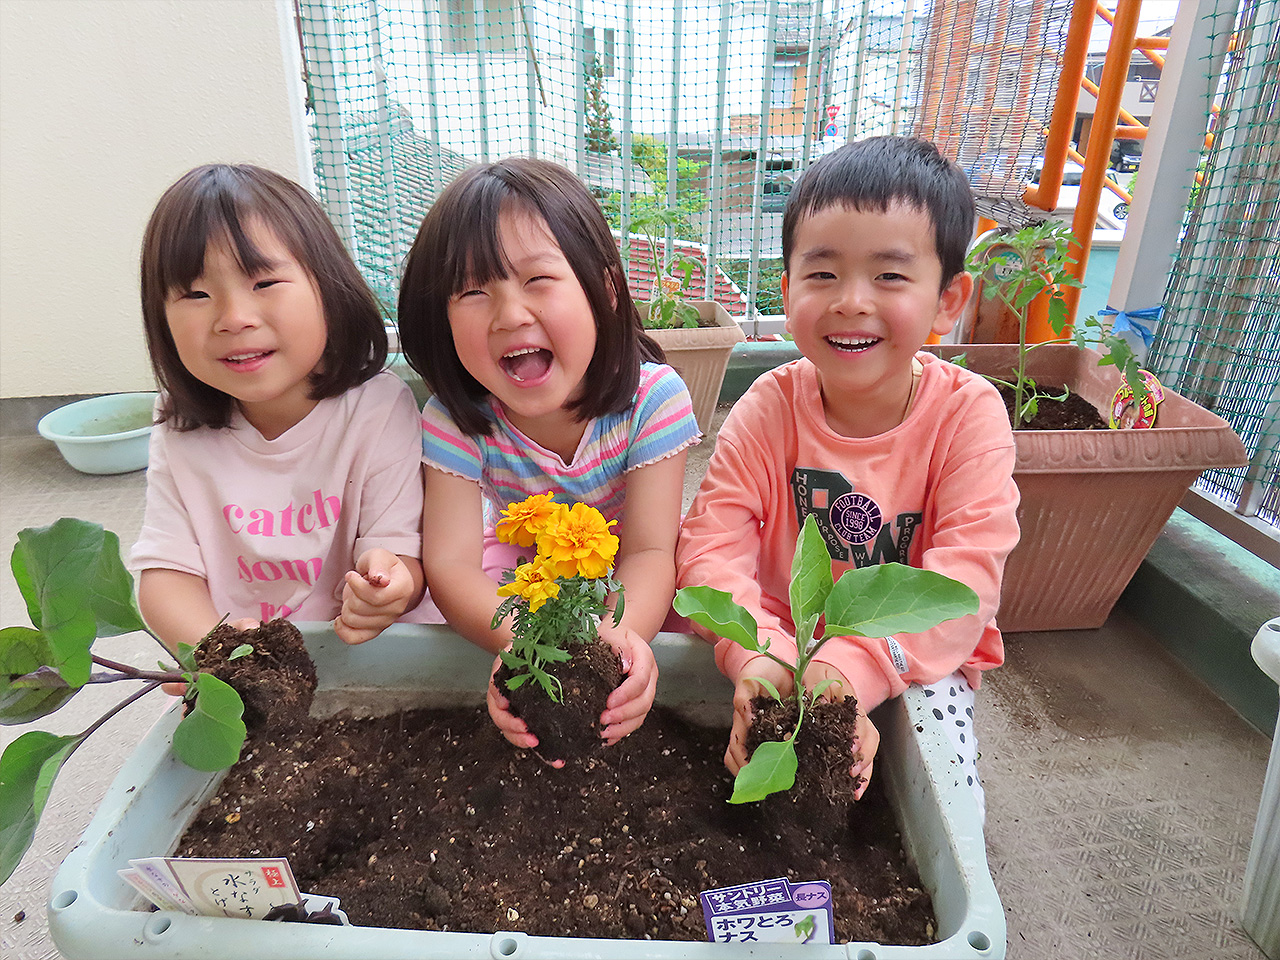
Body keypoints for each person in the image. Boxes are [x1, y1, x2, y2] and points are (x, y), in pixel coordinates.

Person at [676, 136, 1019, 817]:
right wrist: (760, 657)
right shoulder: (769, 406)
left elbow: (962, 588)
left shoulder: (967, 415)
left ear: (949, 300)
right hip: (778, 650)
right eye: (823, 274)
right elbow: (712, 547)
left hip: (914, 660)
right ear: (787, 290)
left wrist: (854, 668)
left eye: (890, 276)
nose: (851, 302)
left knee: (943, 802)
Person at [397, 158, 699, 754]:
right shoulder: (456, 419)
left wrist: (609, 644)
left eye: (538, 280)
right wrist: (527, 650)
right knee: (434, 627)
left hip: (625, 573)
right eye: (474, 291)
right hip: (524, 573)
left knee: (691, 633)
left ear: (605, 291)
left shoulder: (652, 400)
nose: (511, 314)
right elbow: (452, 566)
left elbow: (649, 549)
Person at [131, 163, 426, 652]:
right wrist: (216, 647)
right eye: (196, 294)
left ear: (327, 289)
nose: (234, 318)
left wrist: (389, 583)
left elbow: (397, 548)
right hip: (245, 668)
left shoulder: (376, 406)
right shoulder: (179, 425)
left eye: (264, 283)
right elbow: (165, 574)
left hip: (363, 656)